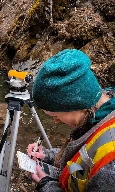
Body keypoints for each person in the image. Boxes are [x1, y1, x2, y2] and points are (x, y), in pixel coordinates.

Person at [27, 49, 115, 192]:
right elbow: (84, 157)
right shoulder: (98, 113)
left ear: (75, 105)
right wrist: (48, 156)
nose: (55, 121)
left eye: (56, 115)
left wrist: (47, 186)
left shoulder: (110, 165)